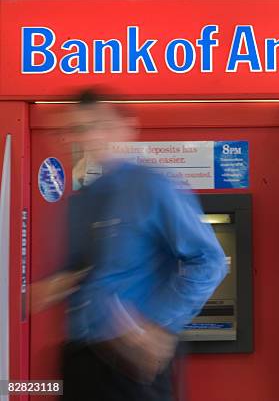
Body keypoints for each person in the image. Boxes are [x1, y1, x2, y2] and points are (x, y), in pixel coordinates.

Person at [31, 89, 227, 401]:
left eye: (90, 126)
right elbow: (77, 271)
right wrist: (52, 287)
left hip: (130, 363)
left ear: (120, 128)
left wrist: (158, 325)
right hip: (80, 357)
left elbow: (209, 260)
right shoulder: (80, 201)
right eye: (72, 129)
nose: (81, 138)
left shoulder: (151, 187)